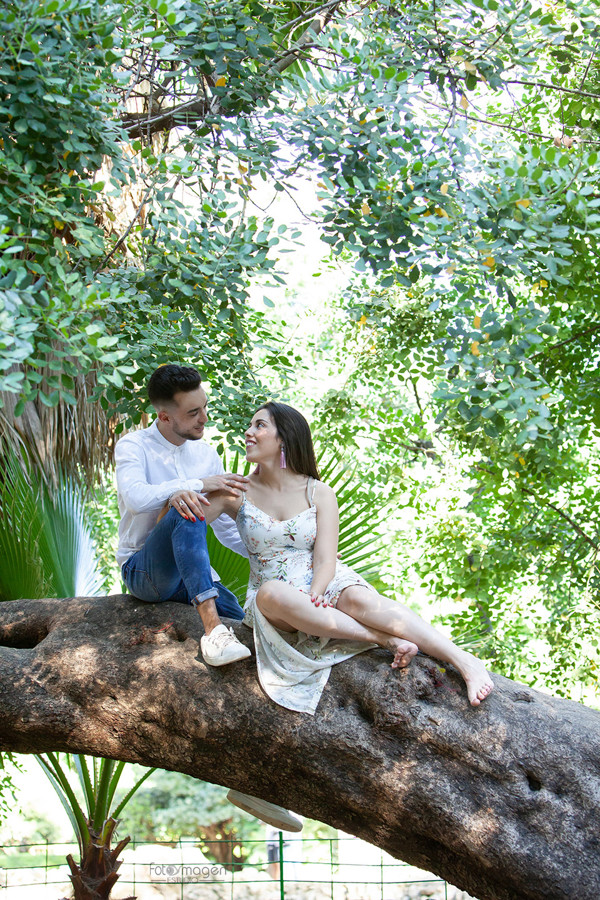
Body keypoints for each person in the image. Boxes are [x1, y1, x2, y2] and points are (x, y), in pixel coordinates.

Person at [200, 401, 494, 714]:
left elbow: (326, 559)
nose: (249, 432)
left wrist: (316, 591)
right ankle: (382, 638)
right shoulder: (236, 490)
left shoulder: (319, 492)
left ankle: (464, 660)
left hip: (321, 583)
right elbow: (184, 528)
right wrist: (194, 488)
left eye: (260, 425)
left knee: (359, 599)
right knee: (272, 594)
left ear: (283, 438)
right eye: (251, 425)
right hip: (275, 597)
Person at [115, 364, 254, 666]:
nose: (204, 418)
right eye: (193, 413)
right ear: (164, 416)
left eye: (204, 406)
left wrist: (274, 556)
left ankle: (223, 625)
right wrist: (198, 485)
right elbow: (137, 499)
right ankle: (213, 632)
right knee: (184, 504)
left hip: (191, 576)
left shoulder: (206, 455)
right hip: (144, 570)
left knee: (244, 623)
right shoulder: (133, 446)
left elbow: (227, 529)